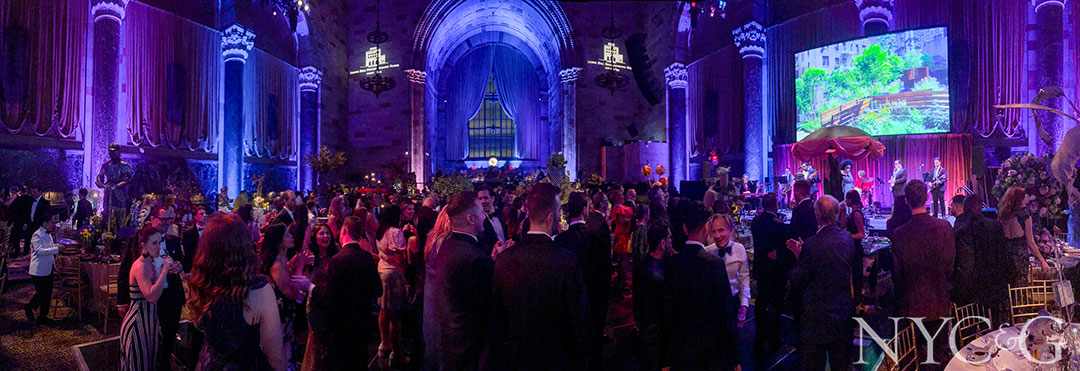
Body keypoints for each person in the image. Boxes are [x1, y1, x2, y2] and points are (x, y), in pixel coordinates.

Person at [493, 183, 590, 369]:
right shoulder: (566, 261)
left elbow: (497, 318)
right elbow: (579, 320)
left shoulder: (504, 260)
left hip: (516, 358)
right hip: (556, 358)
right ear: (551, 218)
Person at [188, 214, 286, 370]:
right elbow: (276, 356)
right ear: (245, 246)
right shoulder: (259, 291)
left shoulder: (202, 282)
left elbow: (198, 325)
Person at [425, 191, 498, 370]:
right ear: (471, 219)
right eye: (481, 212)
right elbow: (487, 307)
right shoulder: (475, 257)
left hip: (450, 338)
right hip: (469, 346)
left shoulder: (447, 245)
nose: (484, 216)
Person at [664, 202, 741, 371]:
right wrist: (734, 357)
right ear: (706, 228)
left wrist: (667, 357)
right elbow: (725, 312)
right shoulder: (714, 264)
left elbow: (668, 310)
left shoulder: (672, 262)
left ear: (685, 228)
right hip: (710, 348)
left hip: (681, 347)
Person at [786, 195, 859, 371]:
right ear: (837, 213)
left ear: (817, 215)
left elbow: (797, 279)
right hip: (843, 314)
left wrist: (799, 257)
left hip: (817, 318)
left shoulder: (812, 244)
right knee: (841, 365)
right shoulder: (847, 239)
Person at [891, 179, 955, 366]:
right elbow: (950, 264)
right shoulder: (944, 227)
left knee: (915, 357)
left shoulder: (899, 233)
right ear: (927, 197)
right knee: (940, 354)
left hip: (912, 304)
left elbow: (898, 274)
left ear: (906, 201)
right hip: (939, 300)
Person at [304, 216, 382, 371]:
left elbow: (329, 297)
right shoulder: (367, 257)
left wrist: (309, 287)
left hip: (341, 325)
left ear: (344, 230)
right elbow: (378, 289)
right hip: (362, 322)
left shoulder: (337, 260)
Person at [556, 191, 608, 370]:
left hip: (569, 300)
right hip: (593, 296)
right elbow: (604, 270)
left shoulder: (561, 240)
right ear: (585, 209)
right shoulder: (595, 236)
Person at [120, 226, 176, 371]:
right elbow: (151, 297)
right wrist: (164, 271)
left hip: (149, 321)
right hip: (138, 323)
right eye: (154, 243)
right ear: (143, 245)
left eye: (160, 242)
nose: (158, 247)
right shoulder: (141, 265)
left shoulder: (150, 262)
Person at [259, 223, 313, 369]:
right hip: (280, 315)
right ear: (279, 241)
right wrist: (300, 266)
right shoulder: (276, 264)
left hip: (282, 313)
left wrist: (294, 262)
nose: (291, 237)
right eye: (287, 235)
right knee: (284, 350)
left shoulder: (280, 259)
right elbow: (290, 292)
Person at [750, 194, 791, 367]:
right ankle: (774, 337)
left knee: (761, 300)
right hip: (775, 270)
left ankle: (760, 333)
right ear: (775, 205)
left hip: (761, 268)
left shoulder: (755, 221)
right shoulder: (778, 224)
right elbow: (783, 250)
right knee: (775, 303)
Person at [955, 194, 1014, 311]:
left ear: (965, 209)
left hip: (974, 287)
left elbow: (966, 263)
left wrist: (960, 289)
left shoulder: (964, 230)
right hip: (994, 283)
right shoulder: (995, 225)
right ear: (981, 207)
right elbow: (1004, 254)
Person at [146, 205, 186, 369]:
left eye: (169, 219)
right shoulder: (138, 240)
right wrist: (122, 301)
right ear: (152, 219)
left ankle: (164, 363)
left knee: (170, 332)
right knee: (149, 333)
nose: (167, 223)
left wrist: (179, 266)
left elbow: (182, 261)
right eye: (163, 219)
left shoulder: (173, 240)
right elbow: (126, 269)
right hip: (149, 292)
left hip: (171, 293)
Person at [633, 221, 672, 371]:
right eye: (669, 238)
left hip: (646, 325)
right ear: (662, 243)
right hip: (658, 329)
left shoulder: (642, 264)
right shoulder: (661, 270)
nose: (671, 241)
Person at [375, 204, 408, 364]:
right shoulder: (395, 232)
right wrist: (406, 281)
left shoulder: (380, 231)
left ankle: (384, 344)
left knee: (383, 310)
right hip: (393, 273)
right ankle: (396, 353)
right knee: (395, 314)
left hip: (381, 270)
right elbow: (400, 259)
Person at [704, 214, 750, 326]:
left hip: (733, 302)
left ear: (730, 230)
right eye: (713, 231)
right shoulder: (706, 252)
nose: (717, 235)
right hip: (712, 305)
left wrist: (744, 305)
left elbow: (744, 278)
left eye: (721, 230)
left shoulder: (739, 249)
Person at [998, 187, 1051, 283]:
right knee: (1020, 286)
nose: (1026, 200)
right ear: (1019, 200)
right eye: (1024, 197)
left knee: (1008, 286)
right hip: (1019, 256)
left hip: (1005, 255)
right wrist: (1043, 261)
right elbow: (1030, 242)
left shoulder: (1003, 216)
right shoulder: (1024, 215)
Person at [24, 212, 59, 325]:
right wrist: (56, 249)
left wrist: (55, 264)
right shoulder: (37, 235)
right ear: (45, 223)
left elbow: (49, 250)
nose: (53, 224)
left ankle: (43, 316)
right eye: (51, 222)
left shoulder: (48, 234)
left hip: (48, 267)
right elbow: (39, 251)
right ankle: (29, 307)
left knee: (47, 294)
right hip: (38, 269)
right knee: (41, 293)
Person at [8, 185, 49, 257]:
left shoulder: (44, 203)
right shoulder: (30, 200)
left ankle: (30, 254)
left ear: (40, 192)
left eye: (35, 192)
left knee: (33, 241)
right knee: (26, 239)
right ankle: (24, 253)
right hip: (27, 223)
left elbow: (46, 216)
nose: (33, 193)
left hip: (37, 225)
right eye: (32, 192)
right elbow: (26, 212)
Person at [95, 143, 133, 218]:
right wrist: (100, 183)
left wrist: (117, 185)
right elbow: (100, 176)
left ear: (118, 152)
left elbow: (129, 179)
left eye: (114, 152)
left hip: (120, 192)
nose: (112, 154)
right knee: (106, 213)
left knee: (119, 214)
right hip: (108, 190)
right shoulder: (106, 165)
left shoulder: (124, 166)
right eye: (110, 152)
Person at [610, 189, 634, 293]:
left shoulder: (619, 207)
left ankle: (621, 281)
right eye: (620, 195)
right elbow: (622, 220)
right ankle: (622, 282)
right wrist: (633, 220)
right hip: (622, 235)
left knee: (623, 260)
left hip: (623, 234)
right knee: (624, 260)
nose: (623, 196)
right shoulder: (619, 208)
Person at [477, 187, 508, 256]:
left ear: (493, 198)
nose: (483, 201)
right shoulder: (478, 220)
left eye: (486, 198)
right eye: (480, 199)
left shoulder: (500, 213)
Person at [182, 205, 210, 273]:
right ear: (195, 217)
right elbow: (188, 253)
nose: (205, 215)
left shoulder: (212, 231)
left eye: (205, 213)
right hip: (195, 265)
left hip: (209, 265)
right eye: (201, 214)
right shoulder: (188, 233)